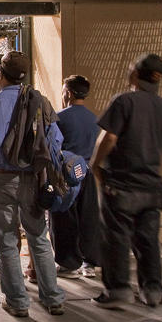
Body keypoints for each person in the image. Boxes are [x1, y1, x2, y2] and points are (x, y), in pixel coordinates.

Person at [0, 51, 67, 317]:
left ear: (0, 75)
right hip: (34, 179)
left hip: (2, 177)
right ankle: (53, 298)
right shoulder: (41, 101)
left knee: (7, 240)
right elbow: (55, 140)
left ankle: (17, 302)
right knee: (39, 237)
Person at [91, 54, 162, 310]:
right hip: (151, 184)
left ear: (136, 75)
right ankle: (152, 290)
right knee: (148, 238)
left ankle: (118, 290)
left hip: (122, 183)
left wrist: (96, 164)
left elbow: (110, 137)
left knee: (117, 237)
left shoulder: (124, 101)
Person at [50, 75, 102, 279]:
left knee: (64, 217)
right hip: (87, 171)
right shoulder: (94, 118)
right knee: (88, 217)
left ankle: (68, 263)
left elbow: (53, 146)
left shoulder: (60, 117)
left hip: (67, 174)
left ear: (68, 93)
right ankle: (89, 262)